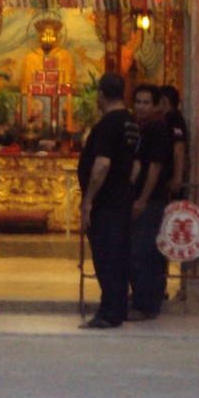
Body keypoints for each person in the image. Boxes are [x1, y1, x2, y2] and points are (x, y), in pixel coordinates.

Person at [76, 72, 139, 330]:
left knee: (107, 258)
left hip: (106, 204)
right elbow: (135, 165)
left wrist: (88, 200)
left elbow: (102, 164)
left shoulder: (107, 124)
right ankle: (118, 308)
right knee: (119, 256)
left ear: (101, 94)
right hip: (121, 199)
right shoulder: (131, 122)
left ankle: (109, 312)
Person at [128, 84, 173, 322]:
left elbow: (154, 167)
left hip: (150, 199)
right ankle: (149, 301)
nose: (141, 107)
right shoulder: (142, 128)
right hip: (144, 198)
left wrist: (142, 200)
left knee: (141, 252)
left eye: (146, 103)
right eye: (138, 102)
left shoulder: (157, 129)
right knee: (147, 251)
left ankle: (143, 304)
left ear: (156, 105)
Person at [159, 85, 189, 201]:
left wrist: (177, 177)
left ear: (164, 101)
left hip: (170, 177)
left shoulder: (174, 118)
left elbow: (179, 146)